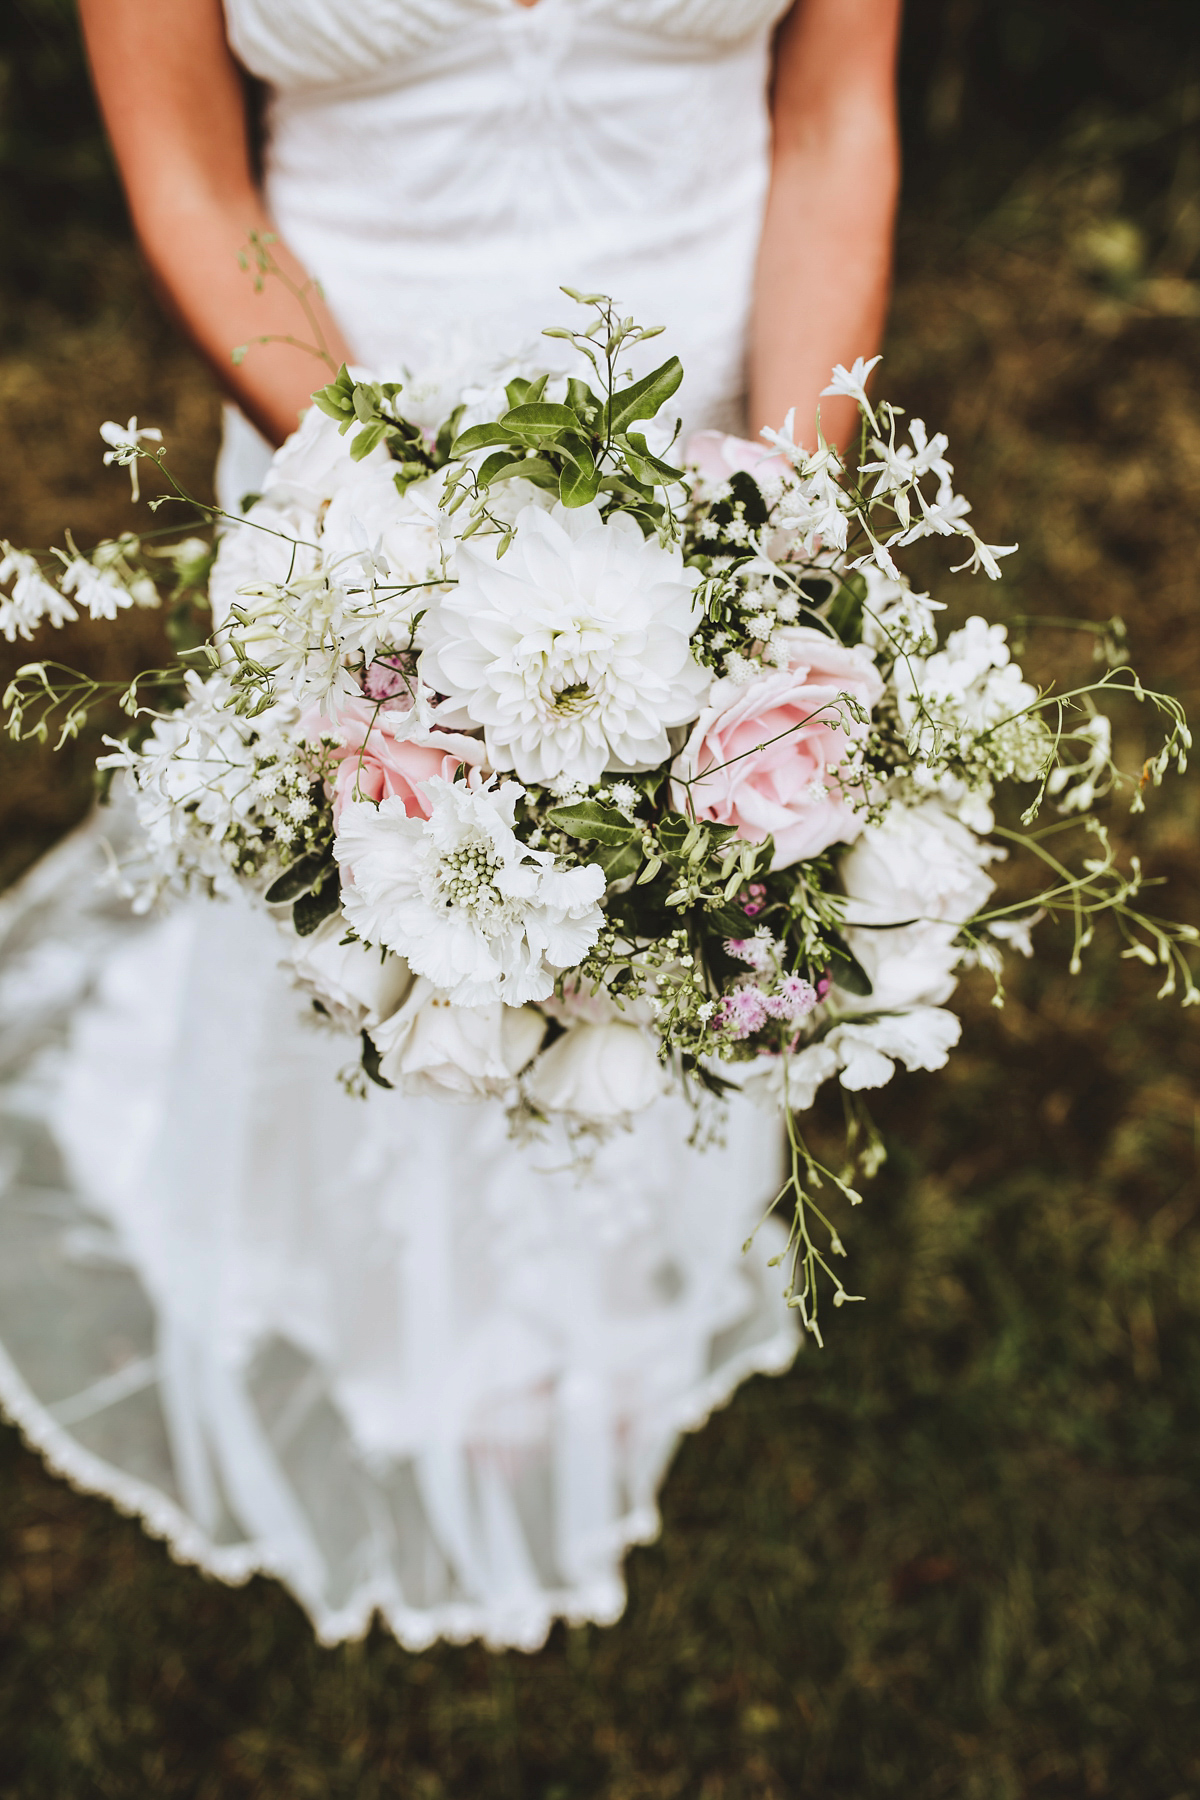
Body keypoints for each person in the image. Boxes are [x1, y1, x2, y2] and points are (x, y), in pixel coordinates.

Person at [0, 0, 902, 1648]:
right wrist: (390, 530)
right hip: (342, 447)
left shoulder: (755, 496)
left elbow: (835, 111)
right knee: (393, 900)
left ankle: (631, 1247)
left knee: (671, 882)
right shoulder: (359, 490)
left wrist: (773, 517)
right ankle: (374, 1291)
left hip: (713, 414)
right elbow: (197, 181)